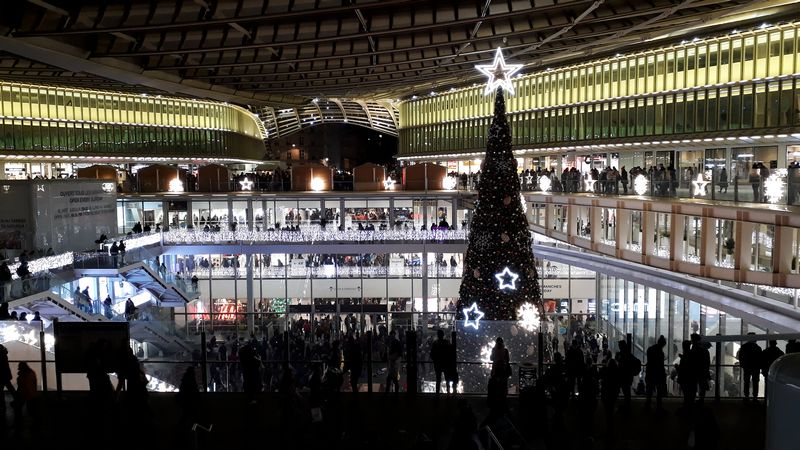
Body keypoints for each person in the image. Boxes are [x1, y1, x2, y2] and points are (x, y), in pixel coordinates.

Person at [644, 335, 667, 412]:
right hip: (658, 374)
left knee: (649, 390)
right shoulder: (660, 352)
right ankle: (658, 407)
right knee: (659, 391)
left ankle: (648, 405)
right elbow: (660, 365)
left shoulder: (650, 349)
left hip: (650, 373)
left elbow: (650, 362)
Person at [737, 334, 762, 400]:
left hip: (747, 367)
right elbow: (760, 358)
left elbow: (740, 356)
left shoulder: (744, 347)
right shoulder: (758, 348)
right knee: (755, 382)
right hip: (755, 367)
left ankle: (746, 396)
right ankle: (755, 397)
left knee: (746, 381)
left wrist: (742, 364)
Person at [15, 361, 38, 430]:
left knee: (20, 408)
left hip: (26, 394)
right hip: (31, 394)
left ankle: (19, 423)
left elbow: (23, 386)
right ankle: (35, 423)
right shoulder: (31, 373)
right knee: (31, 410)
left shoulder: (23, 375)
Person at [691, 333, 711, 403]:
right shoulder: (704, 350)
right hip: (702, 370)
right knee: (702, 386)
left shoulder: (694, 349)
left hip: (695, 370)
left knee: (694, 385)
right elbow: (707, 362)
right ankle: (701, 399)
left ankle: (693, 399)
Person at [677, 340, 697, 411]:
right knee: (690, 394)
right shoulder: (692, 354)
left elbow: (684, 367)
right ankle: (689, 408)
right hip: (691, 378)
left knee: (686, 394)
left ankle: (687, 408)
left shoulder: (686, 354)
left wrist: (677, 367)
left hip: (685, 378)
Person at [431, 329, 450, 394]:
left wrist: (435, 361)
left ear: (438, 335)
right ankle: (448, 393)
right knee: (447, 379)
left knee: (438, 380)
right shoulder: (447, 343)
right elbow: (450, 353)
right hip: (445, 364)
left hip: (438, 364)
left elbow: (432, 354)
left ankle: (437, 394)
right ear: (443, 335)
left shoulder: (435, 343)